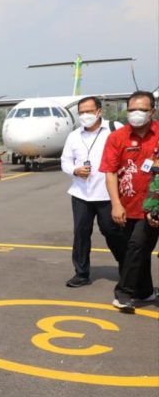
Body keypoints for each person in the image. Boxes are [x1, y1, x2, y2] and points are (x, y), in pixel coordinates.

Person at [100, 91, 159, 312]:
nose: (136, 114)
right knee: (135, 250)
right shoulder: (117, 137)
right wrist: (116, 204)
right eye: (132, 109)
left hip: (152, 205)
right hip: (127, 205)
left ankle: (123, 293)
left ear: (152, 111)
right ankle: (144, 291)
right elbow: (110, 172)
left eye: (142, 109)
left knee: (137, 246)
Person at [60, 97, 126, 287]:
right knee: (81, 233)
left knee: (112, 231)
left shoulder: (115, 128)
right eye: (81, 112)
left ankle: (126, 267)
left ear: (99, 111)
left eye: (89, 111)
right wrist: (75, 170)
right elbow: (65, 161)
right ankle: (81, 273)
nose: (85, 115)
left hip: (108, 194)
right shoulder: (74, 135)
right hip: (81, 193)